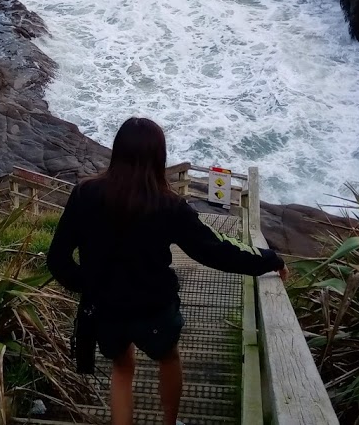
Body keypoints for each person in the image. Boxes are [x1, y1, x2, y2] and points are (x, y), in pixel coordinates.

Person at [48, 118, 286, 425]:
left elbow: (57, 259)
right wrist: (269, 259)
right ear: (159, 157)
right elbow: (214, 251)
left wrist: (91, 285)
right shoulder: (169, 205)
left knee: (122, 370)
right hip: (154, 307)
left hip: (106, 307)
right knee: (168, 358)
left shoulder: (85, 194)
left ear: (117, 151)